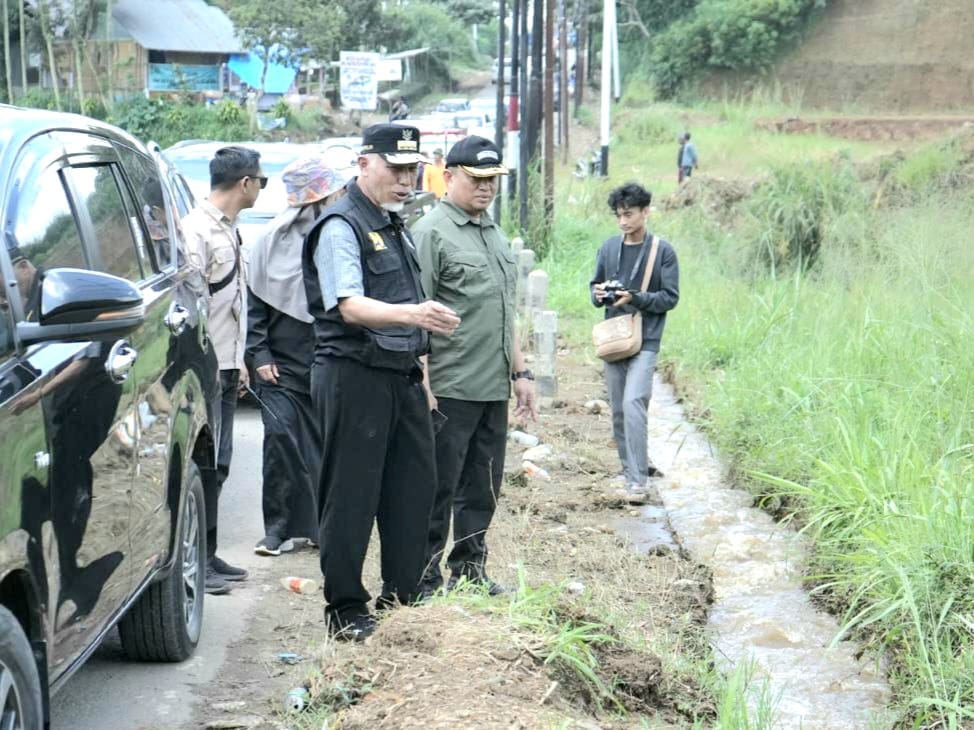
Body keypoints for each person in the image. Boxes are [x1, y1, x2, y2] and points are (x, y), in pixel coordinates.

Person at [302, 123, 461, 641]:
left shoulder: (394, 224)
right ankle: (346, 610)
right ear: (364, 163)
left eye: (412, 169)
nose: (405, 179)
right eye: (395, 168)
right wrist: (413, 315)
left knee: (414, 490)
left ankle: (404, 597)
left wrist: (424, 373)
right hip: (354, 376)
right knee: (351, 497)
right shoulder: (340, 225)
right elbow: (348, 306)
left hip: (402, 377)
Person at [413, 136, 537, 597]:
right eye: (476, 179)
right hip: (450, 385)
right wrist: (423, 383)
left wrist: (521, 374)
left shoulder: (493, 233)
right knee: (437, 488)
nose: (486, 188)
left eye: (493, 180)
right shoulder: (431, 232)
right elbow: (417, 315)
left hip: (492, 385)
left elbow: (506, 310)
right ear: (449, 177)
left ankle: (470, 568)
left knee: (483, 486)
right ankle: (424, 575)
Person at [247, 158, 349, 557]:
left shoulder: (338, 238)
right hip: (279, 367)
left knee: (326, 448)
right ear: (316, 200)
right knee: (279, 441)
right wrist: (258, 353)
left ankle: (324, 527)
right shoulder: (271, 241)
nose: (340, 199)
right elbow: (254, 300)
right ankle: (276, 529)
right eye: (333, 194)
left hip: (328, 362)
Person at [182, 145, 265, 595]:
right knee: (206, 466)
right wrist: (211, 365)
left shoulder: (230, 229)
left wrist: (240, 361)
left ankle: (208, 554)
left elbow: (232, 303)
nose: (260, 188)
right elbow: (192, 306)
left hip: (229, 365)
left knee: (221, 465)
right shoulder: (196, 230)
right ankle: (198, 559)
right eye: (260, 181)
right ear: (245, 184)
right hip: (206, 369)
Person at [589, 182, 679, 502]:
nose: (623, 221)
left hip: (647, 338)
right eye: (619, 216)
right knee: (617, 410)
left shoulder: (662, 251)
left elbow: (670, 297)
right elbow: (594, 287)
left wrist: (635, 297)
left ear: (645, 212)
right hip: (614, 336)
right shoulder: (609, 248)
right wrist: (599, 294)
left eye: (628, 215)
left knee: (633, 403)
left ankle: (638, 482)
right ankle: (631, 469)